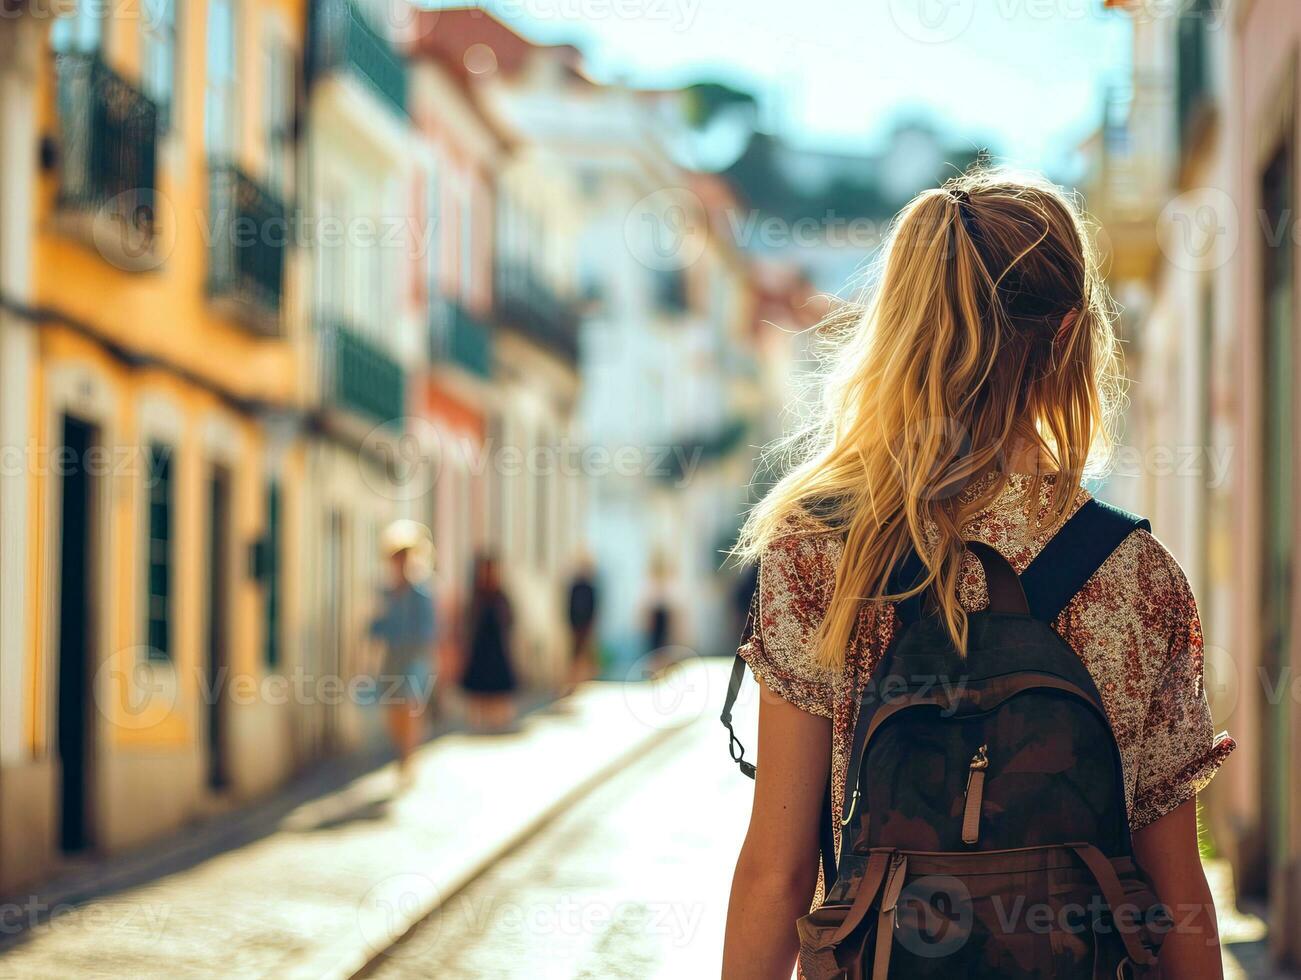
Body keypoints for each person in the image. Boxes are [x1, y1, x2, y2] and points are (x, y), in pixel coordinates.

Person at [722, 171, 1235, 979]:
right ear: (1069, 335)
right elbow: (1175, 896)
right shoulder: (1140, 579)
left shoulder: (819, 550)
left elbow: (775, 875)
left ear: (896, 324)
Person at [368, 520, 438, 787]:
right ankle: (402, 753)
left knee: (409, 707)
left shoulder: (420, 593)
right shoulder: (388, 593)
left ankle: (408, 759)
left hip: (414, 658)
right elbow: (378, 626)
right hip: (392, 657)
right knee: (393, 709)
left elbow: (428, 628)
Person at [462, 553, 517, 731]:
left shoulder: (500, 596)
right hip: (480, 648)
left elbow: (509, 620)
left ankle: (498, 722)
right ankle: (480, 723)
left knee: (498, 686)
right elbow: (468, 623)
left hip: (496, 648)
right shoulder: (476, 596)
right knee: (479, 686)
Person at [565, 553, 600, 692]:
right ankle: (574, 680)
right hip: (576, 624)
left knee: (586, 653)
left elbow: (593, 606)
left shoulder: (589, 587)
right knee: (575, 654)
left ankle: (587, 680)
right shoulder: (575, 586)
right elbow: (569, 605)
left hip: (586, 625)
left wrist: (590, 624)